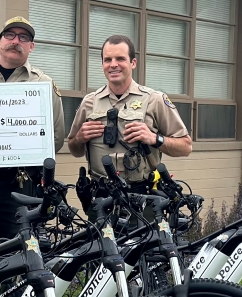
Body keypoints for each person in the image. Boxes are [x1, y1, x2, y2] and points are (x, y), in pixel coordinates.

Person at [0, 16, 66, 241]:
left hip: (18, 185)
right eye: (10, 35)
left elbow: (55, 138)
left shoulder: (43, 84)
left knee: (16, 254)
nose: (15, 41)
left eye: (23, 37)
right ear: (0, 41)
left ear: (31, 46)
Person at [67, 34, 191, 190]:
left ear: (133, 63)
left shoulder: (154, 100)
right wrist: (79, 138)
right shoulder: (89, 102)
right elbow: (74, 149)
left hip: (142, 197)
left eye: (120, 59)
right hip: (100, 196)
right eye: (107, 60)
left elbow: (186, 147)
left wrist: (154, 138)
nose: (113, 65)